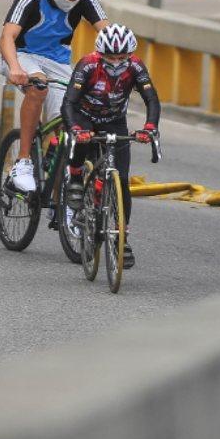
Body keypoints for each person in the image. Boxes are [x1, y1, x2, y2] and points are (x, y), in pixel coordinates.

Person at [0, 0, 109, 193]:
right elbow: (7, 36)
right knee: (39, 89)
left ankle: (59, 180)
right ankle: (24, 162)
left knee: (70, 114)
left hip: (57, 60)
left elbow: (107, 33)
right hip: (22, 55)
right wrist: (15, 68)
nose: (72, 0)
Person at [61, 23, 159, 269]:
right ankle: (74, 178)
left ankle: (121, 236)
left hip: (114, 120)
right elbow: (69, 102)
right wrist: (75, 128)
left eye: (122, 57)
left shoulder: (136, 66)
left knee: (122, 180)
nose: (116, 62)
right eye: (110, 57)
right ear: (100, 53)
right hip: (85, 116)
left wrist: (150, 127)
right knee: (81, 141)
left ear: (130, 54)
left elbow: (151, 98)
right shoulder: (88, 65)